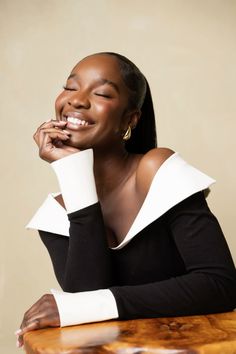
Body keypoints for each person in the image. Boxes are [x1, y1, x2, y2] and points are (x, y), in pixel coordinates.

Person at [16, 52, 236, 348]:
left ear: (129, 120)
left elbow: (220, 285)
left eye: (102, 93)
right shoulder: (55, 214)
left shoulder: (156, 170)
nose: (77, 100)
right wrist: (72, 172)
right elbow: (87, 296)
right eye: (70, 87)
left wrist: (88, 306)